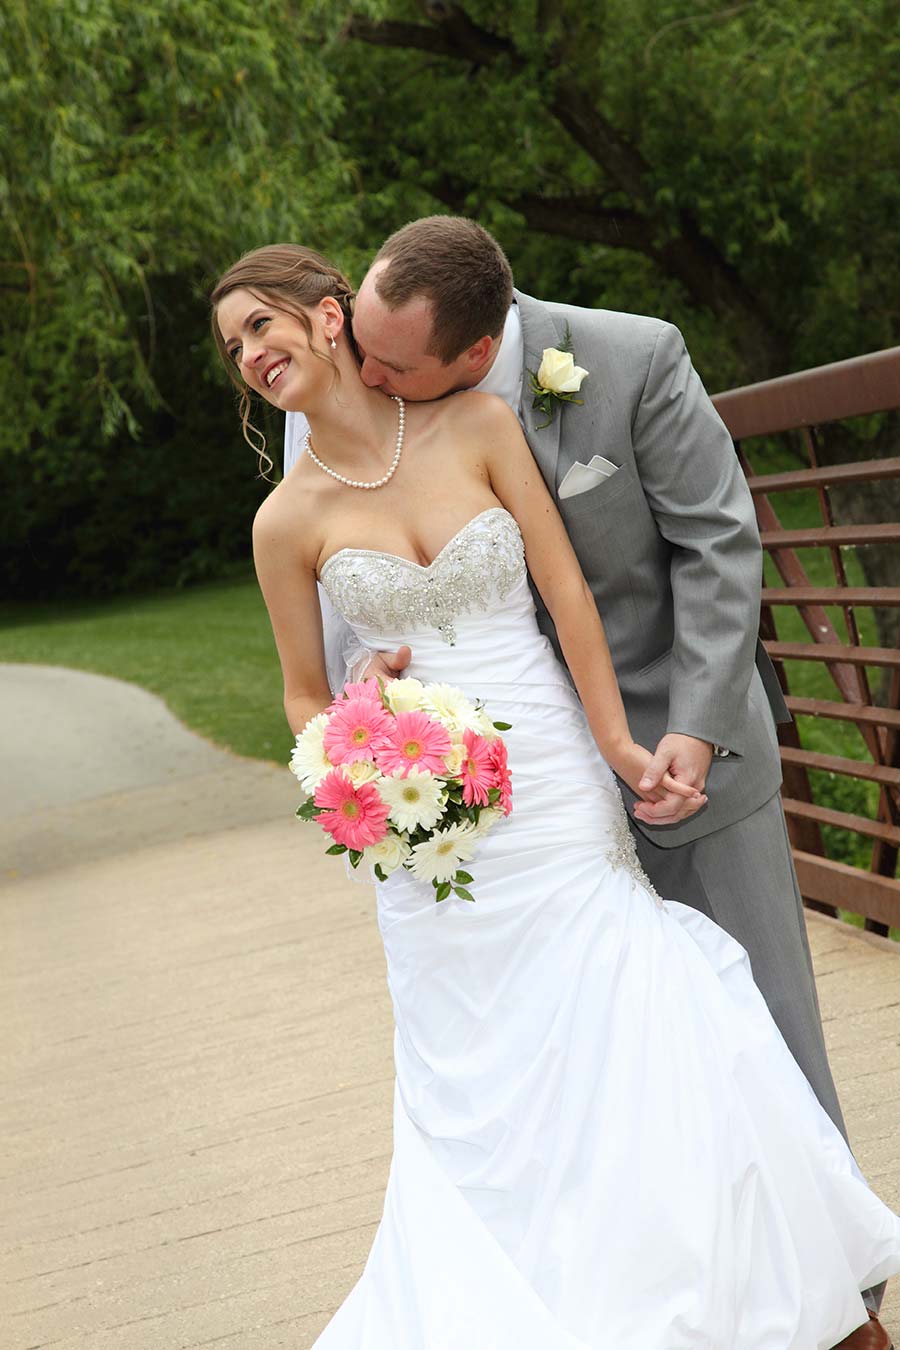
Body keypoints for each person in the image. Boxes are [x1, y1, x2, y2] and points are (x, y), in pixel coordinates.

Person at [211, 244, 900, 1348]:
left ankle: (776, 1300)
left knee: (641, 1021)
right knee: (488, 1081)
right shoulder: (283, 523)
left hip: (555, 780)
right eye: (232, 344)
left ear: (331, 317)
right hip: (434, 839)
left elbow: (566, 588)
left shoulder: (480, 425)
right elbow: (303, 697)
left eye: (261, 325)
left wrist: (622, 743)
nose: (248, 353)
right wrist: (368, 746)